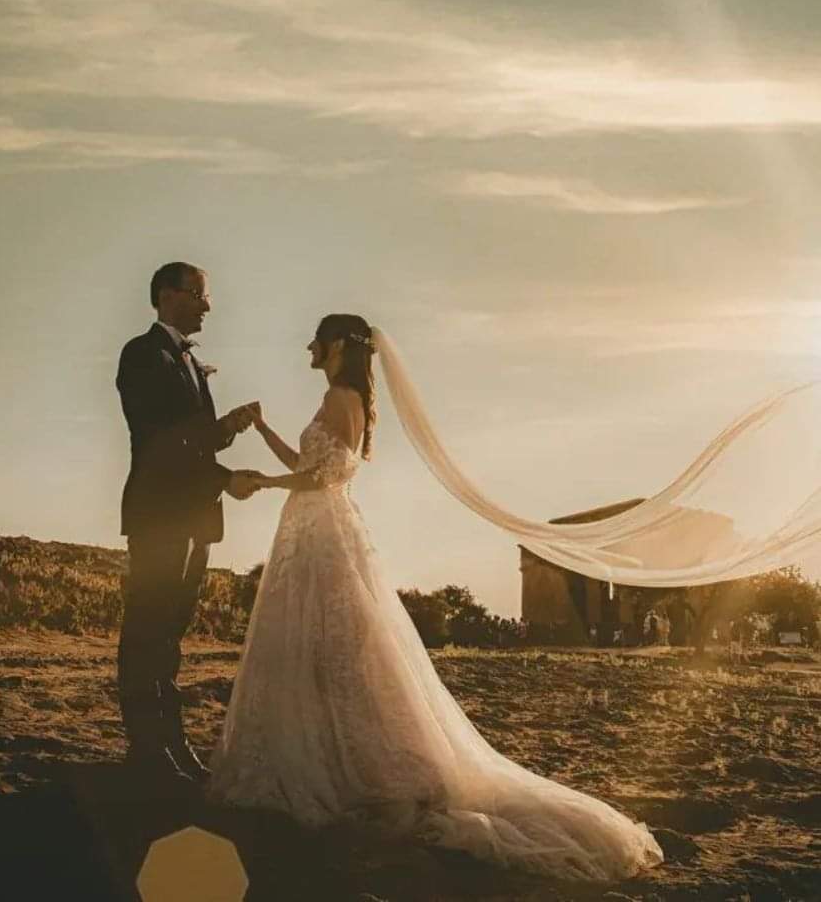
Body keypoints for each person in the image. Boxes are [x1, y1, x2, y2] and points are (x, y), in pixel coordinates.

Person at [207, 314, 663, 881]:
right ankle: (310, 750)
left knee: (337, 649)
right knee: (310, 647)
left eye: (316, 338)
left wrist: (266, 484)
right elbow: (307, 465)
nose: (308, 345)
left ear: (339, 348)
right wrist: (264, 428)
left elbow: (322, 478)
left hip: (321, 533)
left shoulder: (344, 398)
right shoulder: (338, 399)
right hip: (308, 530)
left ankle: (347, 766)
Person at [115, 261, 262, 784]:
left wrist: (228, 432)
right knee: (147, 629)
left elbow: (193, 440)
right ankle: (147, 751)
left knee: (170, 634)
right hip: (159, 516)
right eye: (199, 294)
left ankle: (172, 745)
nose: (208, 305)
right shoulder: (142, 355)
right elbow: (163, 442)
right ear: (166, 295)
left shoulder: (188, 363)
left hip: (195, 520)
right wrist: (223, 472)